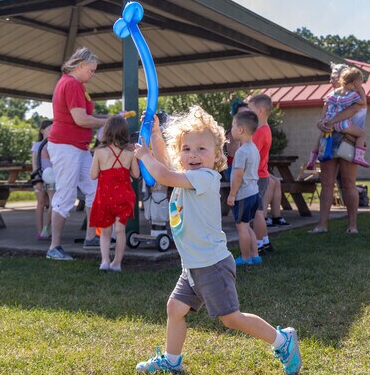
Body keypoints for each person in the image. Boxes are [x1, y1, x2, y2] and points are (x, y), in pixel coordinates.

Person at [133, 106, 301, 375]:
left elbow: (162, 174)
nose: (193, 154)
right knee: (175, 308)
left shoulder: (206, 178)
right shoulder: (186, 177)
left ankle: (283, 340)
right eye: (186, 149)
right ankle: (172, 360)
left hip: (212, 265)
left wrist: (144, 154)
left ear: (216, 156)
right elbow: (166, 166)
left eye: (202, 149)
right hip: (194, 264)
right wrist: (154, 134)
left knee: (231, 318)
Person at [46, 47, 108, 261]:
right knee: (65, 196)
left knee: (94, 188)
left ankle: (91, 237)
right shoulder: (71, 84)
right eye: (91, 70)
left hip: (78, 147)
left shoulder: (75, 84)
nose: (93, 74)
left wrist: (106, 118)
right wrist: (106, 121)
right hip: (66, 146)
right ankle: (54, 247)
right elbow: (81, 120)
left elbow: (84, 117)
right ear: (80, 65)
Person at [310, 63, 366, 235]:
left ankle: (352, 225)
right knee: (326, 183)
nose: (331, 78)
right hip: (329, 140)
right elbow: (324, 117)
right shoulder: (330, 97)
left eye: (334, 75)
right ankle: (322, 225)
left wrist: (330, 122)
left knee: (349, 183)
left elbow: (354, 109)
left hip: (349, 140)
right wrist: (322, 124)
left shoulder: (357, 94)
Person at [89, 115, 140, 272]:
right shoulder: (130, 152)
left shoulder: (99, 152)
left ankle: (105, 261)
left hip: (104, 196)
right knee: (120, 230)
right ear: (124, 132)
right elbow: (136, 175)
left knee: (105, 231)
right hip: (124, 195)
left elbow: (93, 175)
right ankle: (117, 263)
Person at [227, 110, 262, 267]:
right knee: (247, 226)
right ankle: (255, 256)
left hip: (243, 195)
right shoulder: (253, 148)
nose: (231, 129)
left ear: (240, 129)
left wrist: (232, 194)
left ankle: (245, 257)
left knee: (241, 228)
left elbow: (238, 175)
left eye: (233, 126)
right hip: (254, 193)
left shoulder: (241, 152)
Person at [247, 93, 274, 254]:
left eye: (251, 110)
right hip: (261, 175)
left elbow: (251, 154)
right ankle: (264, 241)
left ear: (261, 111)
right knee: (260, 210)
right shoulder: (265, 129)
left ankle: (258, 244)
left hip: (256, 176)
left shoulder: (260, 132)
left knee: (257, 212)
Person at [31, 120, 54, 240]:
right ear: (42, 131)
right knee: (40, 203)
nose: (52, 131)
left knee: (53, 204)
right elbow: (35, 163)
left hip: (52, 178)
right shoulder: (37, 145)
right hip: (40, 178)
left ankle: (46, 228)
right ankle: (39, 232)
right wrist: (36, 178)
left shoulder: (55, 145)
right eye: (50, 129)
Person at [224, 99, 248, 181]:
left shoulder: (248, 133)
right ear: (235, 117)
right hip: (231, 170)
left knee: (274, 181)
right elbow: (235, 159)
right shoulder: (233, 133)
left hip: (243, 170)